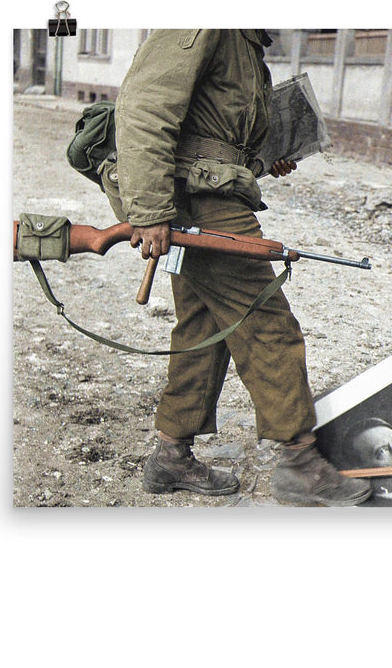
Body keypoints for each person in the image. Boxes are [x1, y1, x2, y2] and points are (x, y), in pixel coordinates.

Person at [112, 29, 371, 506]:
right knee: (267, 323)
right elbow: (145, 107)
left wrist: (261, 157)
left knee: (205, 325)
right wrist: (148, 211)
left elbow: (213, 127)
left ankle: (170, 453)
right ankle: (300, 464)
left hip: (211, 190)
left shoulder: (244, 39)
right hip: (200, 200)